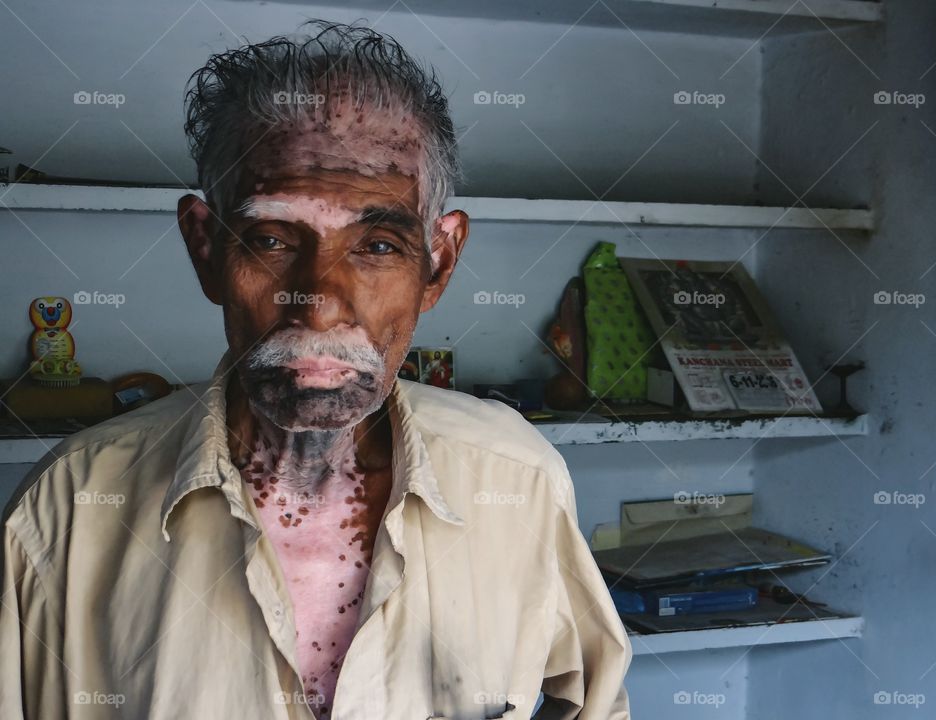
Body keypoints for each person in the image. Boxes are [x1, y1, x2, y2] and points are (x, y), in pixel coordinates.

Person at [0, 20, 632, 720]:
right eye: (271, 238)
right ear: (206, 247)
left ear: (439, 264)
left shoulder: (517, 481)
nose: (321, 302)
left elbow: (597, 706)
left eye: (379, 245)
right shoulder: (70, 509)